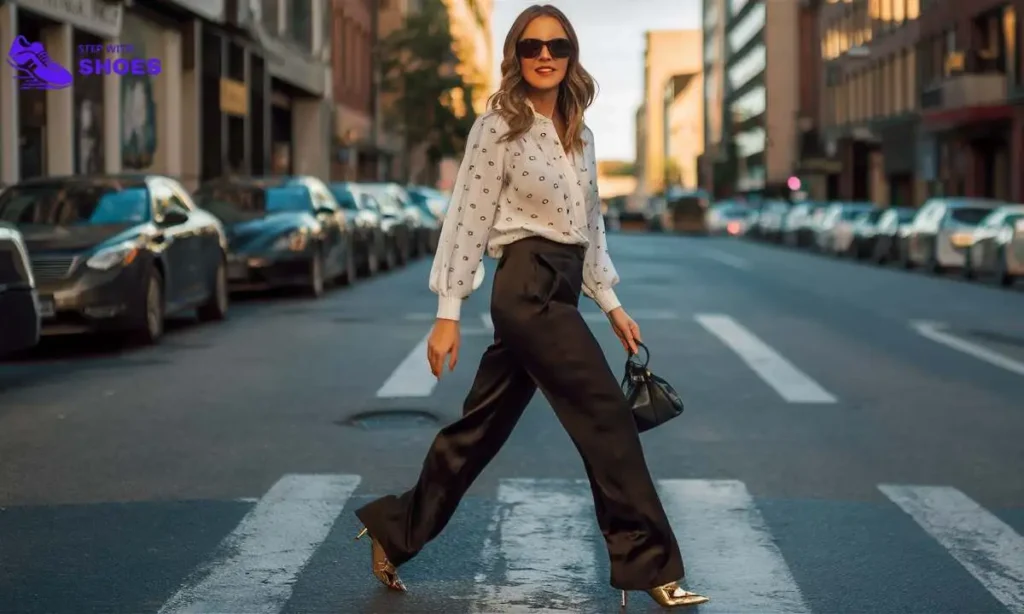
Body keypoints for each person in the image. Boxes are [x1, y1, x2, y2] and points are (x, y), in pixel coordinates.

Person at [354, 4, 710, 609]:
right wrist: (447, 311)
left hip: (563, 284)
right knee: (607, 418)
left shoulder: (581, 133)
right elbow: (467, 214)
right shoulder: (499, 125)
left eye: (557, 45)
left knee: (479, 429)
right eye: (531, 46)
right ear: (515, 58)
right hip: (526, 287)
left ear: (571, 55)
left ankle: (395, 532)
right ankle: (650, 564)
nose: (544, 55)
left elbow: (589, 226)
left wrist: (611, 303)